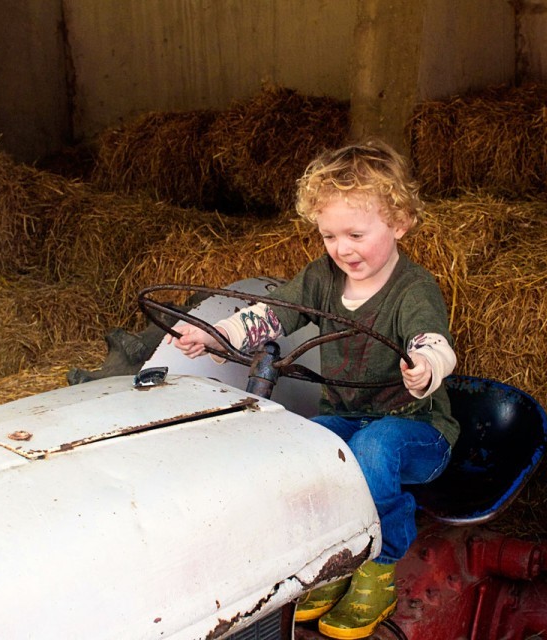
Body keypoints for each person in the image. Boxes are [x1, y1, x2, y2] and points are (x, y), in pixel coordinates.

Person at [169, 139, 459, 639]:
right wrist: (220, 335)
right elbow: (276, 312)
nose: (343, 248)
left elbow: (433, 340)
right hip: (346, 413)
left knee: (372, 450)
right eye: (329, 236)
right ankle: (335, 556)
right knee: (303, 448)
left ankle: (380, 562)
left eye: (356, 234)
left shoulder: (414, 289)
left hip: (416, 429)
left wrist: (426, 366)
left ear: (400, 223)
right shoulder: (324, 277)